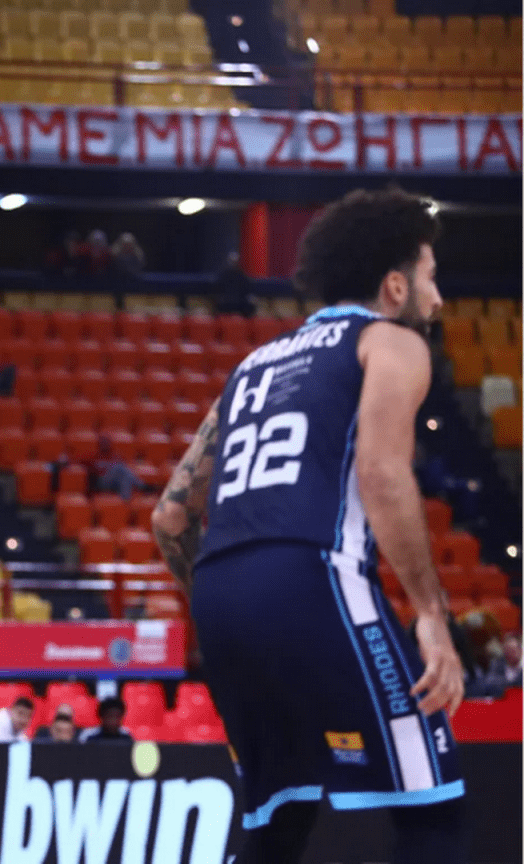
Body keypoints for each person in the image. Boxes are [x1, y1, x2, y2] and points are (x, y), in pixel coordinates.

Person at [151, 188, 465, 861]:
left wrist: (233, 604)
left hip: (221, 596)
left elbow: (170, 517)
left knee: (279, 823)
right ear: (395, 285)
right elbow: (382, 474)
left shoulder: (252, 366)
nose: (438, 300)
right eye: (431, 278)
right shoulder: (391, 340)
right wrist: (431, 614)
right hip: (311, 574)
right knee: (432, 809)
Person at [213, 251, 257, 317]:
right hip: (226, 303)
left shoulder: (242, 276)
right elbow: (217, 290)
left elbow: (248, 291)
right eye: (232, 261)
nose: (233, 263)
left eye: (235, 261)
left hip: (240, 303)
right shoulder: (223, 276)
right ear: (229, 261)